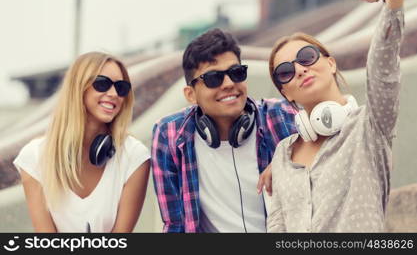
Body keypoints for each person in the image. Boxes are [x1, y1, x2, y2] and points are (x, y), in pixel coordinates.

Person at [267, 0, 405, 232]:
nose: (299, 69)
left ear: (330, 63)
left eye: (306, 57)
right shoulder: (283, 154)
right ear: (285, 92)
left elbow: (383, 71)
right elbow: (277, 226)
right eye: (285, 71)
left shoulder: (370, 126)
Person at [151, 28, 296, 232]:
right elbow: (175, 225)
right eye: (213, 78)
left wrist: (286, 159)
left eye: (236, 73)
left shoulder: (281, 115)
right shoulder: (169, 134)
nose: (228, 84)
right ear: (191, 94)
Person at [14, 52, 150, 232]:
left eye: (121, 88)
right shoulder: (34, 157)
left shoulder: (134, 156)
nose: (113, 94)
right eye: (102, 84)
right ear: (78, 87)